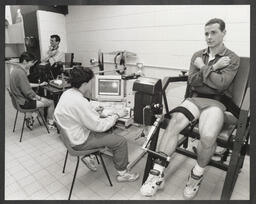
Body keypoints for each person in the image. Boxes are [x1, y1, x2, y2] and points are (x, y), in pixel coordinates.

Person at [140, 18, 240, 199]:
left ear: (224, 33)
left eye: (213, 32)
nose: (208, 37)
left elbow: (221, 85)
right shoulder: (197, 55)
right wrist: (213, 68)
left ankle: (197, 174)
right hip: (194, 99)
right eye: (206, 33)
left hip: (217, 102)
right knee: (174, 123)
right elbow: (192, 82)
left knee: (208, 137)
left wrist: (203, 68)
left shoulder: (231, 58)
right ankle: (157, 172)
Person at [54, 66, 140, 182]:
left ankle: (91, 156)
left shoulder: (68, 93)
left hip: (71, 135)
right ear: (85, 83)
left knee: (109, 131)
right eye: (91, 82)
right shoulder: (79, 101)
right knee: (120, 141)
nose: (91, 85)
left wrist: (93, 111)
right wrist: (117, 115)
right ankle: (123, 173)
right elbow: (99, 126)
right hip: (80, 141)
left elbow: (80, 112)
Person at [9, 52, 55, 129]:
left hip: (18, 100)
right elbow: (28, 92)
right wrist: (40, 99)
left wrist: (39, 85)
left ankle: (30, 119)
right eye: (31, 62)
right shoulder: (21, 73)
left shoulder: (16, 70)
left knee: (40, 101)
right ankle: (50, 124)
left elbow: (26, 84)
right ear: (24, 61)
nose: (33, 64)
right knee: (50, 102)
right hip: (23, 103)